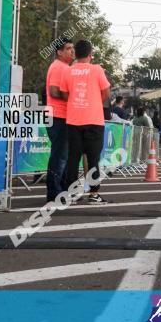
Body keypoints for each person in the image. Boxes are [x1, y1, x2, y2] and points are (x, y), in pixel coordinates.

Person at [59, 39, 112, 204]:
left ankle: (73, 195)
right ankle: (94, 194)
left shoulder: (68, 71)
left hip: (74, 119)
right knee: (93, 158)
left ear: (75, 53)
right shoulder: (97, 70)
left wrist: (76, 103)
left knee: (73, 158)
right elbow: (106, 92)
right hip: (94, 120)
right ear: (90, 54)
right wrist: (95, 102)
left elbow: (63, 93)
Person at [44, 37, 74, 203]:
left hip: (58, 115)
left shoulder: (65, 67)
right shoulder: (58, 67)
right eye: (68, 48)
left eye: (73, 48)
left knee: (63, 155)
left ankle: (60, 190)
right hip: (57, 115)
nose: (72, 51)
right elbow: (54, 91)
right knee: (59, 156)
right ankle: (54, 192)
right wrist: (73, 99)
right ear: (59, 51)